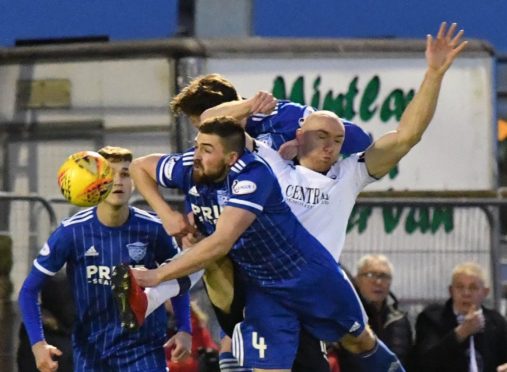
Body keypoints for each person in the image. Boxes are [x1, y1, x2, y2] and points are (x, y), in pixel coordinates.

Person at [126, 21, 466, 371]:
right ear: (298, 133)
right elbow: (211, 121)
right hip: (266, 287)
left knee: (359, 341)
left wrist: (434, 74)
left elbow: (408, 135)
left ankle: (184, 310)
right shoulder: (265, 161)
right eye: (321, 135)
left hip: (316, 282)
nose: (330, 145)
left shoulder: (350, 174)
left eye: (336, 140)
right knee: (217, 254)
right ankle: (176, 308)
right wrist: (249, 106)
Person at [18, 146, 193, 372]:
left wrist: (184, 328)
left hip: (144, 350)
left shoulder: (154, 229)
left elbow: (179, 277)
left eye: (126, 174)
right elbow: (29, 291)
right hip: (92, 352)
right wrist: (38, 344)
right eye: (109, 174)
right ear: (94, 181)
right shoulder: (71, 233)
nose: (118, 181)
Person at [413, 262, 507, 372]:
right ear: (451, 291)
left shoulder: (496, 321)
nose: (466, 293)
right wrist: (461, 332)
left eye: (473, 288)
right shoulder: (431, 318)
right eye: (460, 287)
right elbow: (425, 362)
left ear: (485, 292)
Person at [334, 255, 413, 370]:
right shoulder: (349, 316)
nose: (378, 282)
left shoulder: (399, 319)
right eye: (370, 275)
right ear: (357, 280)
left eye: (384, 276)